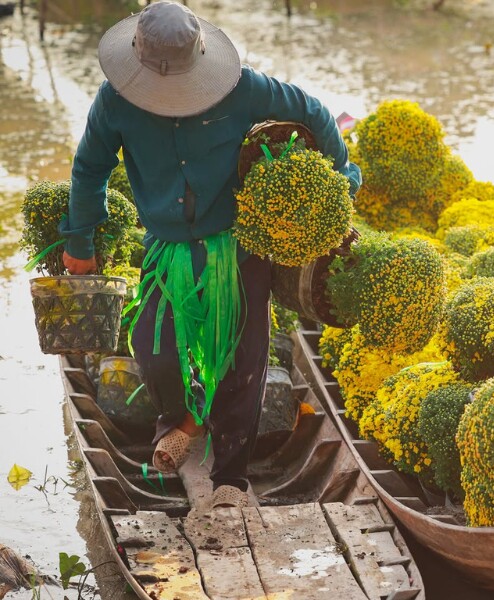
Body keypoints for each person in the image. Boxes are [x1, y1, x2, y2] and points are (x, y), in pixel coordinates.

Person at [59, 1, 361, 509]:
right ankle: (181, 420)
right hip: (167, 250)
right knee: (153, 350)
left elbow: (313, 113)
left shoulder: (243, 89)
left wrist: (342, 185)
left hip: (238, 249)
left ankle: (231, 481)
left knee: (243, 364)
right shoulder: (116, 101)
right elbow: (88, 170)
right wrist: (80, 246)